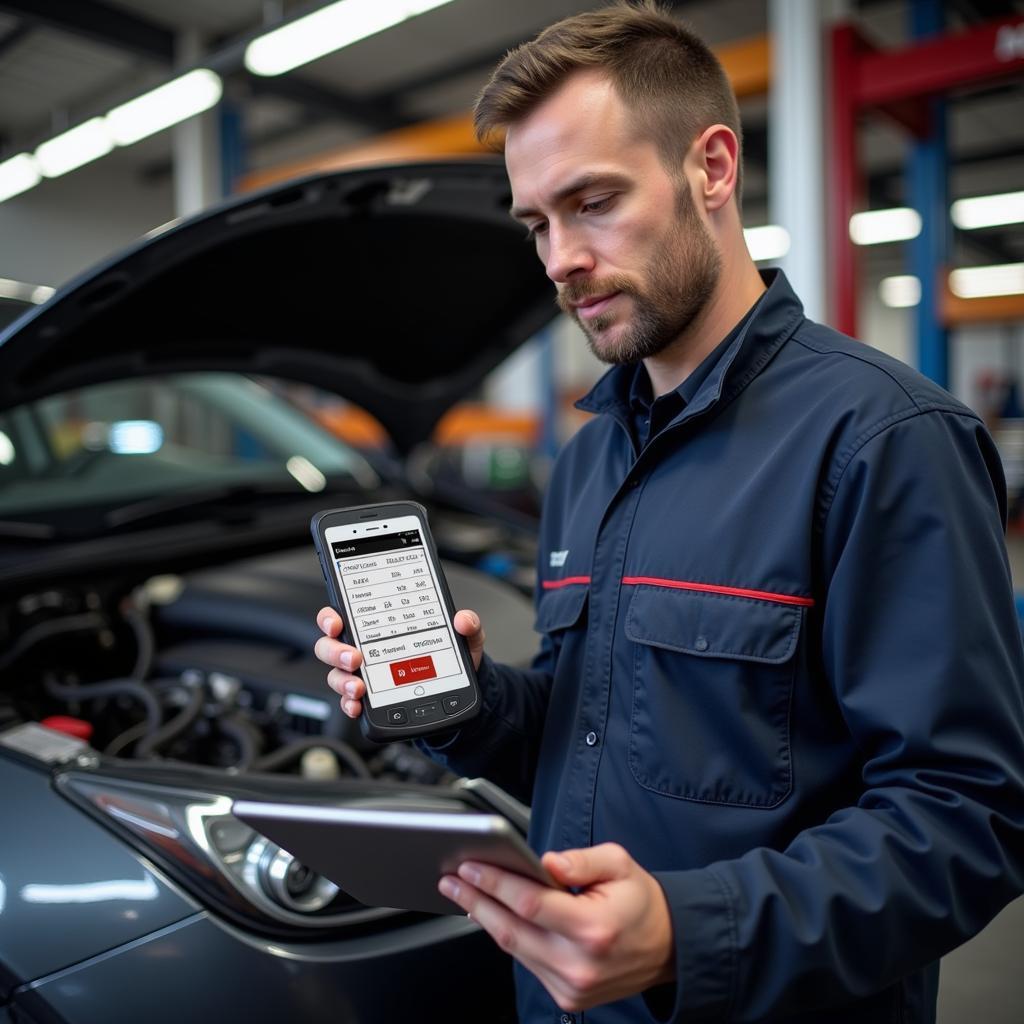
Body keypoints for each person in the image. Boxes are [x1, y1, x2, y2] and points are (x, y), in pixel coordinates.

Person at [315, 3, 1024, 1020]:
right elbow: (585, 734)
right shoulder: (591, 451)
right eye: (536, 224)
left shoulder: (882, 439)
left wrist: (690, 931)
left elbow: (970, 817)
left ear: (713, 169)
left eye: (591, 201)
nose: (559, 258)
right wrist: (466, 702)